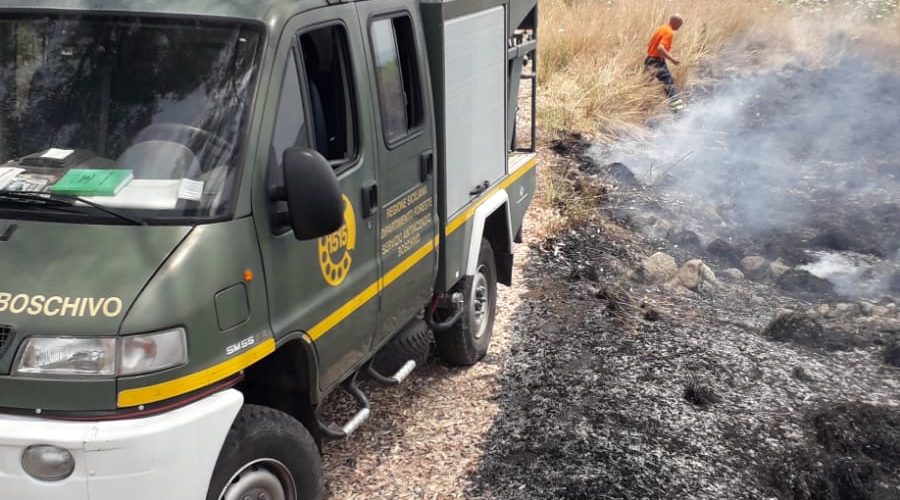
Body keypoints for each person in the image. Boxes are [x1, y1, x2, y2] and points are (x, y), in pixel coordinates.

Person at [645, 15, 686, 111]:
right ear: (675, 22)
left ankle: (640, 107)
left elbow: (651, 44)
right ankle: (678, 109)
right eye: (679, 24)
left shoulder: (662, 28)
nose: (679, 27)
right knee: (669, 83)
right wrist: (673, 60)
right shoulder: (669, 32)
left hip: (649, 59)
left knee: (645, 84)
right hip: (657, 62)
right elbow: (660, 48)